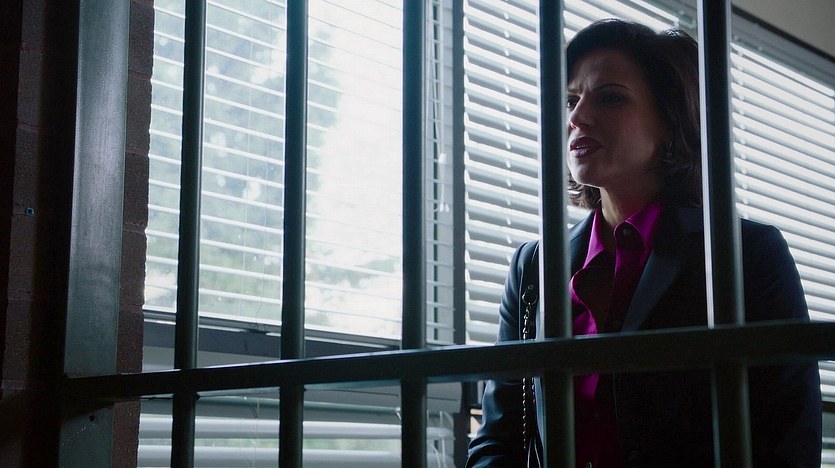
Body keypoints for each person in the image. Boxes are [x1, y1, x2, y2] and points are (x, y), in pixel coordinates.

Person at [466, 19, 822, 467]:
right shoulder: (533, 267)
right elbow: (497, 438)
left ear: (671, 122)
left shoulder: (745, 254)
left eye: (610, 97)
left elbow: (788, 439)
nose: (576, 117)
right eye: (571, 101)